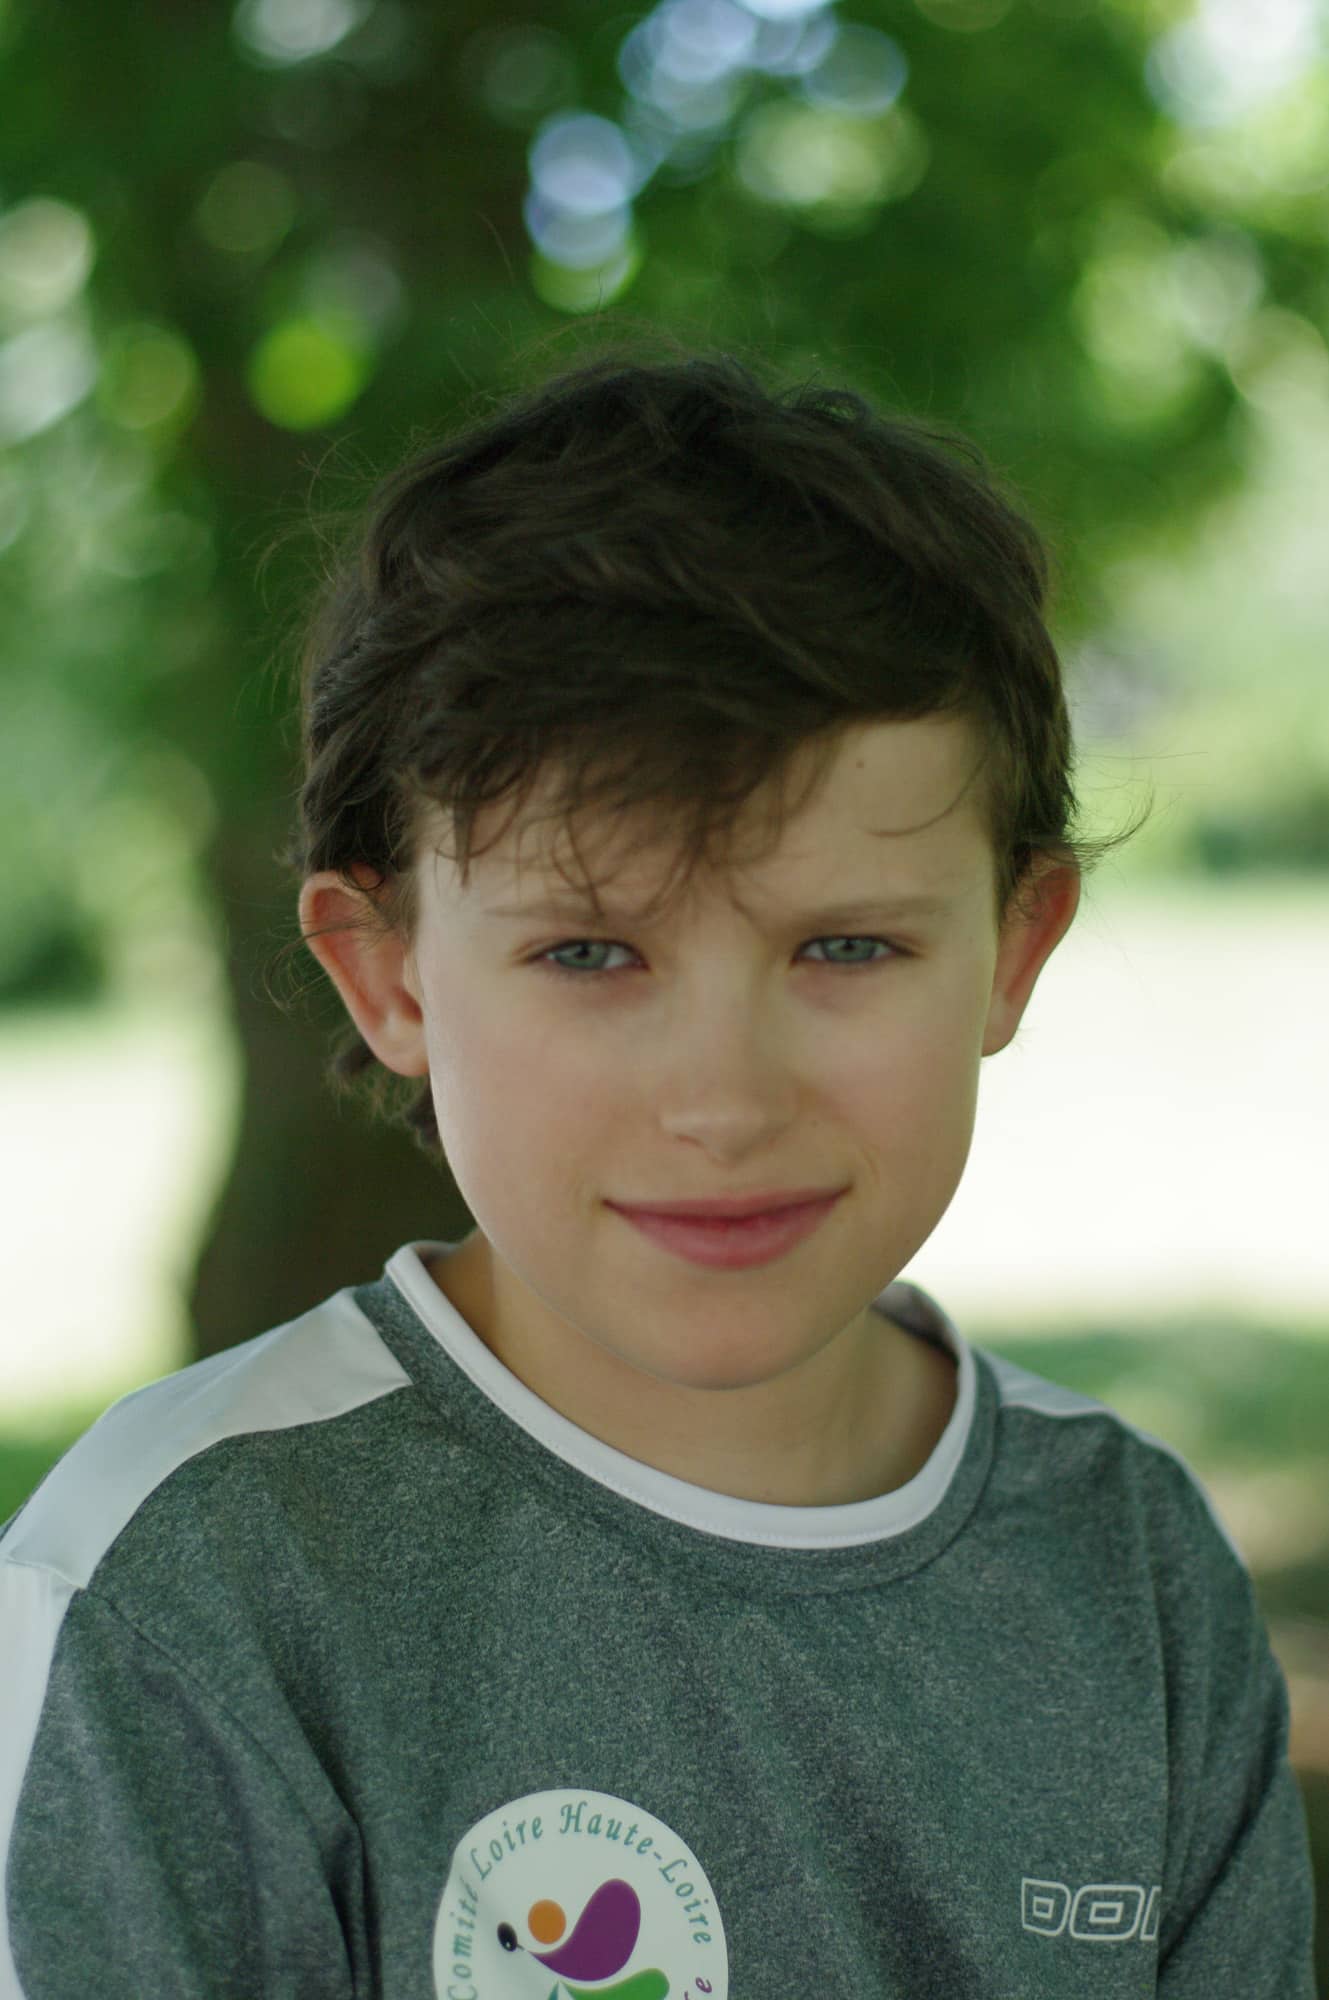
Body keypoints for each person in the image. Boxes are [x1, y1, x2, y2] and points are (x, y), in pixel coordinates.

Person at [1, 335, 1315, 1998]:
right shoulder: (194, 1586)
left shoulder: (1129, 1567)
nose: (722, 1100)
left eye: (843, 946)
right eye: (589, 954)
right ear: (392, 978)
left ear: (1013, 947)